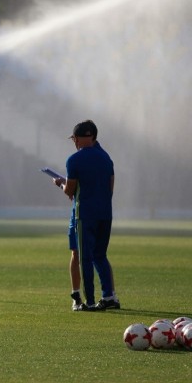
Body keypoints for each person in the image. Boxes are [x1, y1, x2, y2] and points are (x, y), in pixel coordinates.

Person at [53, 119, 119, 312]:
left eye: (74, 138)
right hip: (105, 213)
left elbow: (70, 191)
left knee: (84, 257)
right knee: (100, 255)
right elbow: (110, 186)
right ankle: (109, 297)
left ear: (79, 138)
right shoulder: (106, 158)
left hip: (84, 214)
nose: (74, 142)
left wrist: (60, 184)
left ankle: (88, 301)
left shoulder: (74, 160)